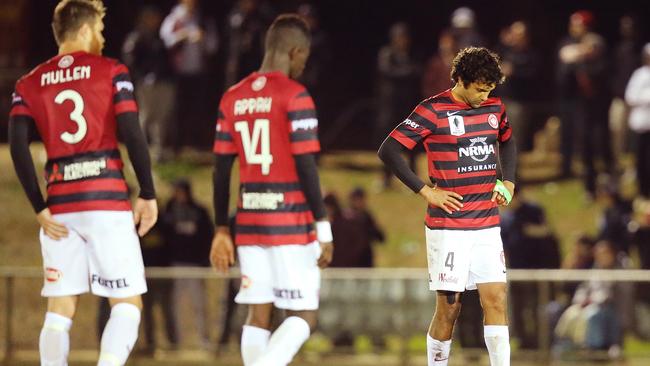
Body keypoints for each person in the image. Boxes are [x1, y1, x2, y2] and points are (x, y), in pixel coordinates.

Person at [7, 1, 157, 365]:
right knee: (127, 303)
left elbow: (17, 145)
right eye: (101, 31)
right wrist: (148, 193)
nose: (103, 39)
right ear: (87, 29)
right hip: (106, 200)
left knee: (59, 309)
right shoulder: (111, 70)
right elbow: (133, 134)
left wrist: (39, 207)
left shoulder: (28, 83)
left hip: (59, 207)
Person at [378, 47, 517, 366]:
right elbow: (389, 151)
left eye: (489, 90)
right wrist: (425, 190)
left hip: (486, 222)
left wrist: (508, 181)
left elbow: (507, 141)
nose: (485, 96)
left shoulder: (495, 106)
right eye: (480, 89)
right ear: (461, 80)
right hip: (449, 227)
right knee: (449, 309)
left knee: (496, 298)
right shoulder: (433, 110)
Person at [210, 14, 334, 366]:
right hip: (291, 223)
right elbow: (306, 165)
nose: (302, 68)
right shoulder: (295, 96)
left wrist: (222, 227)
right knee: (302, 317)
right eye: (303, 60)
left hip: (249, 222)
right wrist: (323, 227)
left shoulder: (232, 98)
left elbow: (220, 170)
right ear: (295, 52)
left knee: (258, 315)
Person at [160, 179, 213, 349]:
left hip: (195, 265)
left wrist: (205, 260)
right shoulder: (169, 212)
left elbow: (208, 236)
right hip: (175, 265)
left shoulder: (199, 212)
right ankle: (177, 342)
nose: (178, 195)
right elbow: (164, 237)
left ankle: (203, 339)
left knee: (199, 305)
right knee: (175, 306)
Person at [160, 0, 218, 153]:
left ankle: (196, 143)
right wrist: (184, 35)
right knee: (178, 109)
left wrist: (203, 38)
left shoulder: (203, 19)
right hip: (179, 72)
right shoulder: (175, 18)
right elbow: (165, 40)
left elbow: (213, 46)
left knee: (197, 109)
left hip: (199, 72)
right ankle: (177, 145)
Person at [122, 5, 175, 162]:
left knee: (161, 118)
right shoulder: (137, 37)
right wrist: (141, 76)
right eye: (151, 17)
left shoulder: (160, 36)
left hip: (163, 82)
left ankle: (158, 151)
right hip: (146, 84)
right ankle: (139, 150)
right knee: (146, 116)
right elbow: (130, 59)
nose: (155, 21)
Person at [624, 43, 650, 198]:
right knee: (641, 159)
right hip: (641, 124)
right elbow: (630, 96)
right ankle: (643, 190)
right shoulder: (640, 74)